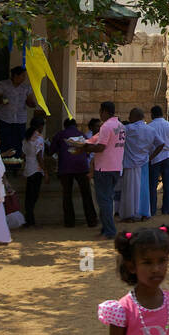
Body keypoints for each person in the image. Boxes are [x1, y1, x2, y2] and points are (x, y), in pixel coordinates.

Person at [81, 102, 126, 241]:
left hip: (104, 168)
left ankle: (109, 231)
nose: (100, 114)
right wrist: (86, 142)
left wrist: (85, 148)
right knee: (106, 200)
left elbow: (100, 147)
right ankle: (105, 229)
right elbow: (97, 138)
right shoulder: (120, 125)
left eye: (100, 111)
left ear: (105, 111)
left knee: (104, 201)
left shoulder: (106, 126)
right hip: (115, 167)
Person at [48, 118, 97, 228]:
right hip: (81, 167)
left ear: (64, 126)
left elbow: (51, 151)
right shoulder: (82, 135)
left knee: (67, 195)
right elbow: (88, 152)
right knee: (86, 194)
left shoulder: (60, 135)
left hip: (65, 168)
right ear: (76, 126)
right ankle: (92, 220)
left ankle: (69, 222)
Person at [0, 66, 38, 156]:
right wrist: (2, 100)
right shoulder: (2, 85)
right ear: (15, 76)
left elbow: (30, 100)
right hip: (5, 118)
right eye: (22, 76)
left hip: (20, 120)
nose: (24, 78)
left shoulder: (26, 88)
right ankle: (5, 163)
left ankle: (16, 163)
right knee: (5, 141)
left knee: (18, 142)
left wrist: (33, 104)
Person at [120, 108, 153, 223]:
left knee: (129, 189)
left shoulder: (127, 129)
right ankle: (144, 213)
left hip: (130, 163)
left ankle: (129, 215)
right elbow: (161, 144)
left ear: (133, 117)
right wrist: (150, 157)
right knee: (144, 189)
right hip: (144, 162)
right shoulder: (150, 129)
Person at [147, 105, 169, 218]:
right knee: (168, 185)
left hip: (155, 157)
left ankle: (152, 209)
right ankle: (166, 209)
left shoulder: (150, 126)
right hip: (168, 156)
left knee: (152, 185)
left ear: (152, 114)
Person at [22, 116, 48, 228]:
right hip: (36, 169)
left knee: (29, 196)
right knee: (34, 196)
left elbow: (23, 154)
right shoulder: (39, 138)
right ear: (40, 126)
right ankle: (30, 219)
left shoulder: (27, 137)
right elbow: (39, 156)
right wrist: (45, 171)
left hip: (28, 168)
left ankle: (29, 218)